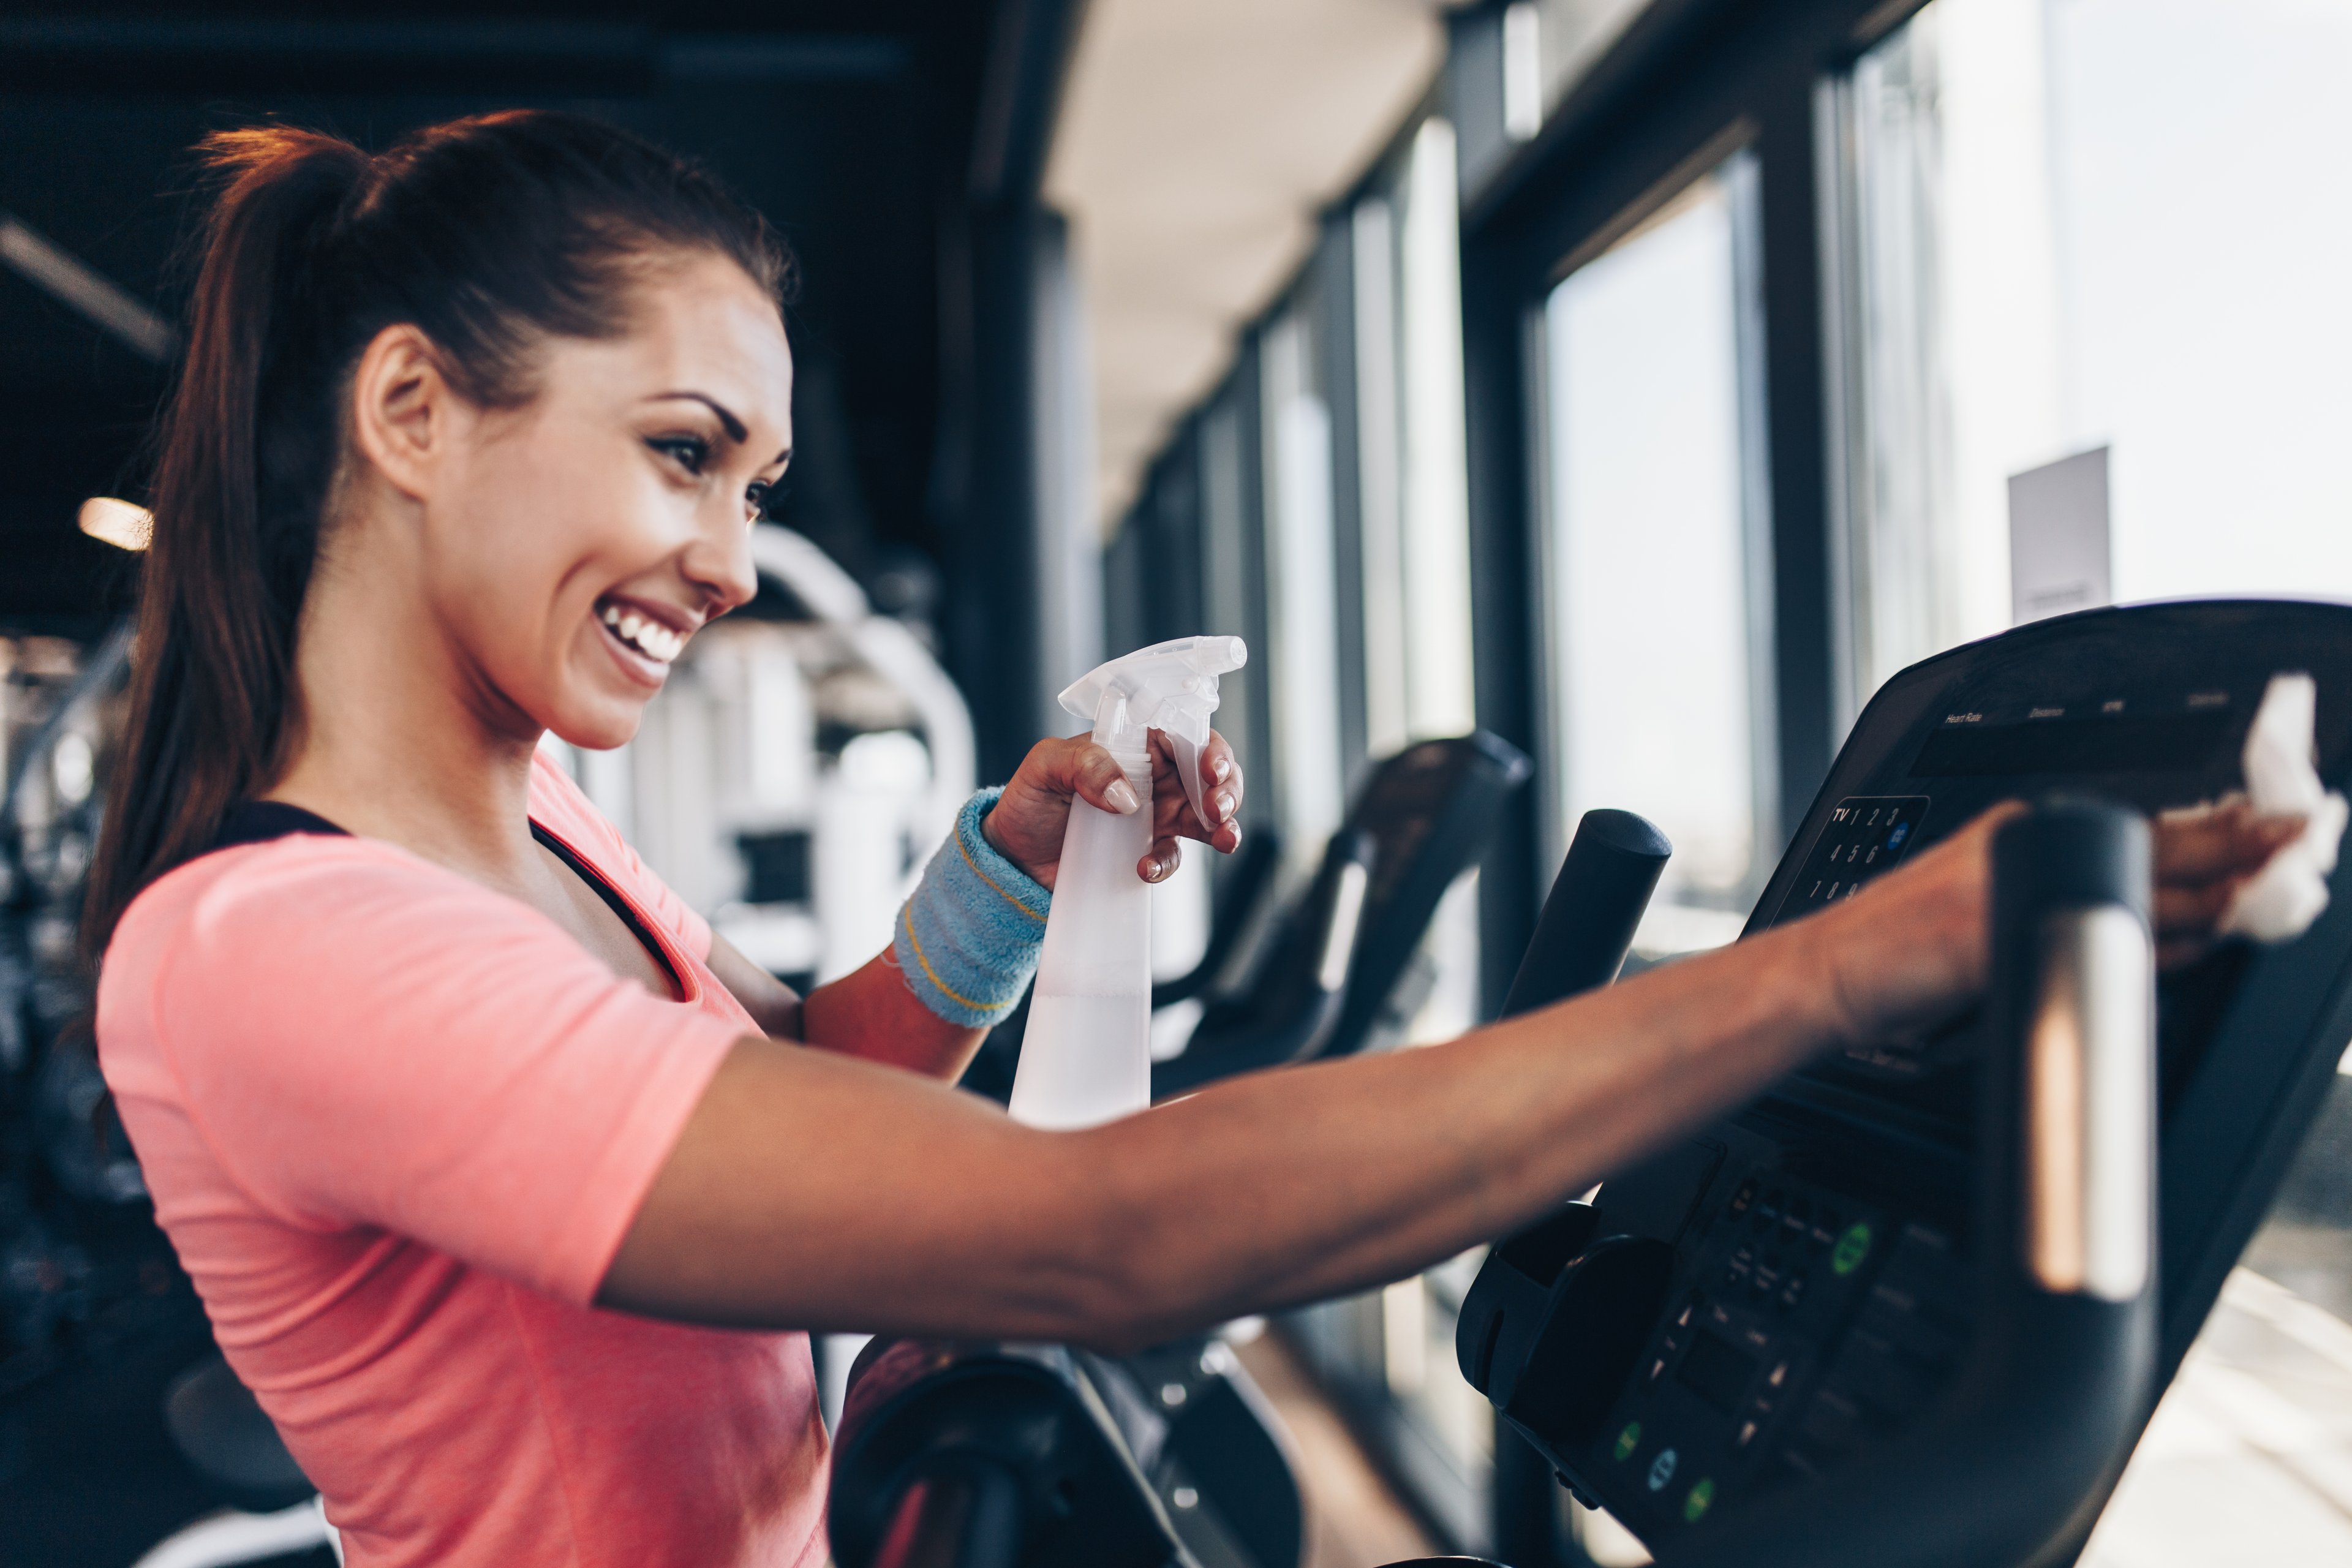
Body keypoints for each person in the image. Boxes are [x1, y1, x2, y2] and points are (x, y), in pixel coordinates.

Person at [84, 111, 2296, 1568]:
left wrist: (1020, 858)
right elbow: (1092, 1239)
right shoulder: (286, 953)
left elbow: (799, 1108)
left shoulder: (535, 820)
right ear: (406, 415)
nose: (738, 556)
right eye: (686, 454)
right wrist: (1826, 967)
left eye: (756, 484)